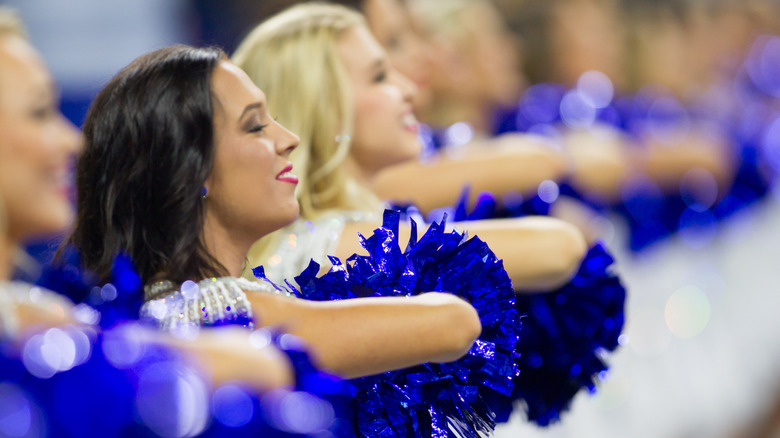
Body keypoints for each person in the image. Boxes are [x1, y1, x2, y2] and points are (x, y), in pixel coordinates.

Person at [66, 42, 484, 380]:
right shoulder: (216, 308)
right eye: (255, 126)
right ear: (190, 169)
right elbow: (455, 321)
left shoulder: (159, 307)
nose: (289, 140)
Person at [232, 2, 588, 292]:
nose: (409, 90)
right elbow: (558, 247)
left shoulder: (356, 222)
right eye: (380, 77)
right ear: (327, 110)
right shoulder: (331, 244)